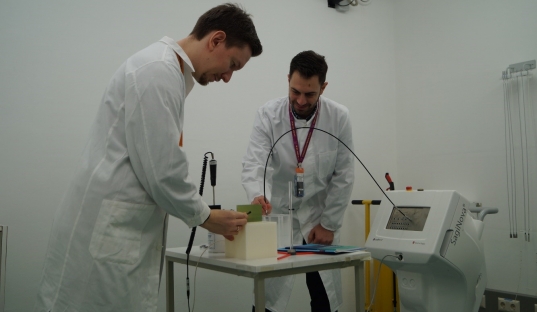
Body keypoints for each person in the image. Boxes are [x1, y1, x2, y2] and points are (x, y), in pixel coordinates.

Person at [34, 3, 262, 312]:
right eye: (233, 64)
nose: (227, 77)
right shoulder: (156, 71)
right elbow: (163, 170)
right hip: (108, 234)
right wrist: (206, 216)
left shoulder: (167, 72)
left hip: (120, 231)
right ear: (216, 40)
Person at [242, 50, 355, 312]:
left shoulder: (339, 117)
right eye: (295, 91)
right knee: (268, 298)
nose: (301, 100)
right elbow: (256, 162)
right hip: (279, 216)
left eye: (310, 94)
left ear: (323, 87)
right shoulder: (268, 115)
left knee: (324, 296)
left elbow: (344, 174)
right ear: (288, 80)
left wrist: (329, 223)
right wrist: (258, 195)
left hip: (319, 219)